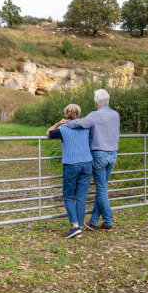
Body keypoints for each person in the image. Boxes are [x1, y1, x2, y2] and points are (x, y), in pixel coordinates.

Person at [63, 89, 120, 231]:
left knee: (101, 189)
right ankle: (94, 221)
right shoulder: (115, 115)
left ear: (96, 102)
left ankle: (108, 221)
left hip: (99, 155)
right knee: (102, 188)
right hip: (112, 154)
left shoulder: (95, 115)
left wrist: (66, 123)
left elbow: (79, 124)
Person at [46, 104, 93, 239]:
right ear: (78, 114)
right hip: (87, 163)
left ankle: (75, 226)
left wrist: (58, 123)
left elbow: (48, 132)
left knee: (68, 196)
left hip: (71, 164)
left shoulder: (63, 129)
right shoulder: (85, 126)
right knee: (81, 196)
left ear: (66, 115)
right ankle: (80, 225)